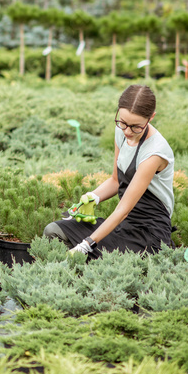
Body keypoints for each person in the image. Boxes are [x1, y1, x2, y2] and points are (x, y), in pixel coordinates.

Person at [44, 84, 175, 258]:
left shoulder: (154, 152)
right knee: (53, 231)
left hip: (148, 233)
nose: (127, 131)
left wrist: (87, 244)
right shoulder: (121, 132)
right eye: (123, 122)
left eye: (136, 126)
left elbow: (123, 210)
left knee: (95, 257)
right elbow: (115, 180)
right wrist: (93, 197)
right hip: (124, 224)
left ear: (151, 117)